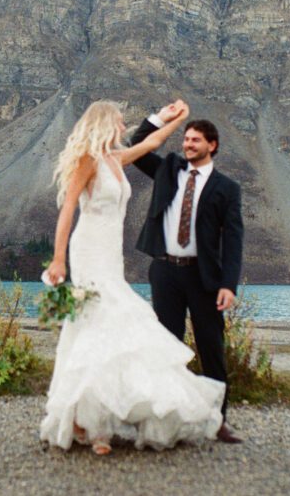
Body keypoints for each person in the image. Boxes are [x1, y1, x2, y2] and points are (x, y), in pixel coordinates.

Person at [39, 100, 224, 455]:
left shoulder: (115, 159)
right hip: (89, 249)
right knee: (97, 323)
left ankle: (89, 418)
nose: (123, 127)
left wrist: (175, 119)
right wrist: (58, 258)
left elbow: (152, 144)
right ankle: (93, 428)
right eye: (120, 122)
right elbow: (67, 210)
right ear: (104, 124)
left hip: (110, 255)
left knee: (108, 327)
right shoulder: (88, 160)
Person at [130, 101, 245, 444]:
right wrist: (160, 118)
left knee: (212, 347)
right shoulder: (168, 169)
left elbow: (235, 239)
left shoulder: (227, 188)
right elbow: (137, 147)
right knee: (168, 346)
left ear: (213, 145)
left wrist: (229, 284)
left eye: (195, 140)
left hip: (203, 278)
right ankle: (168, 420)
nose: (188, 144)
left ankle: (218, 421)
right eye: (186, 139)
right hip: (165, 271)